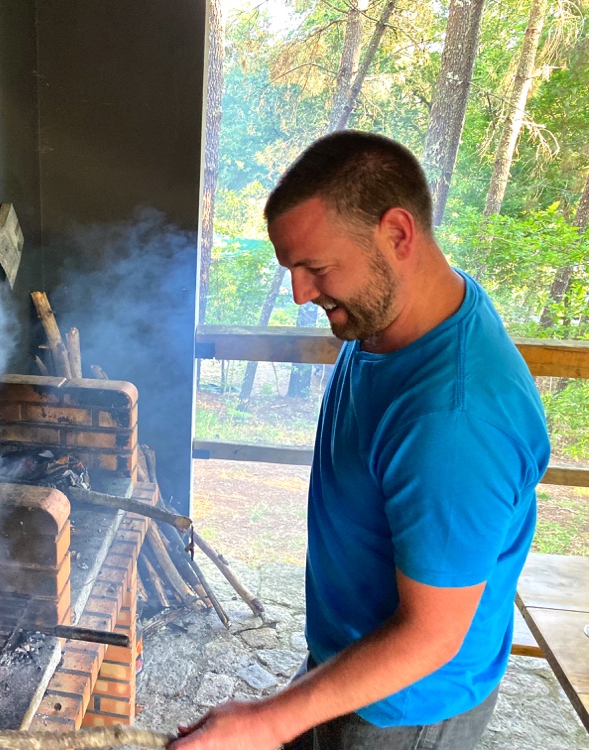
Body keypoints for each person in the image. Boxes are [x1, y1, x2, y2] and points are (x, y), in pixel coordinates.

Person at [171, 131, 550, 750]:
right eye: (291, 268)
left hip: (405, 711)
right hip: (349, 665)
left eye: (315, 268)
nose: (300, 293)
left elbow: (430, 636)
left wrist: (270, 720)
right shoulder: (390, 321)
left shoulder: (454, 422)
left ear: (398, 235)